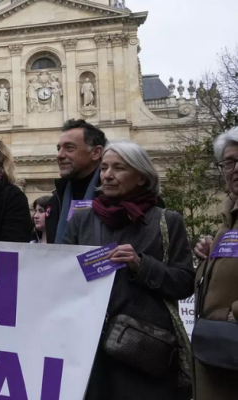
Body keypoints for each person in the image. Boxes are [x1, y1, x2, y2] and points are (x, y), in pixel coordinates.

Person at [63, 141, 194, 400]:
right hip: (89, 351)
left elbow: (185, 283)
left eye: (118, 168)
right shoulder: (81, 220)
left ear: (142, 178)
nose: (107, 175)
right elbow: (60, 276)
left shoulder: (167, 221)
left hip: (143, 351)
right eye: (104, 168)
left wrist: (142, 266)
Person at [191, 127, 238, 400]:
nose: (235, 169)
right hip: (220, 356)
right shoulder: (229, 216)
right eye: (229, 162)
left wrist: (230, 314)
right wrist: (210, 261)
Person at [47, 119, 107, 243]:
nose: (59, 155)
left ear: (96, 153)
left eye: (69, 148)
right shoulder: (55, 202)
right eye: (59, 148)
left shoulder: (115, 198)